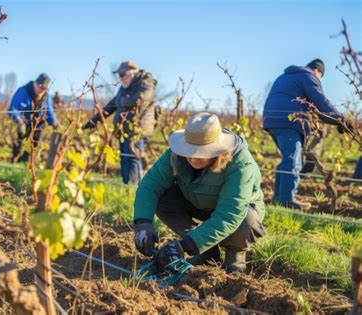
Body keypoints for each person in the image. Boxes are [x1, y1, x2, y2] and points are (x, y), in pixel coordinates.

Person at [133, 112, 266, 273]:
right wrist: (142, 223)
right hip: (197, 202)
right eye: (190, 150)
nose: (194, 157)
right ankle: (206, 252)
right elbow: (150, 185)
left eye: (202, 152)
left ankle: (236, 256)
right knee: (163, 197)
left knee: (247, 221)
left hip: (238, 213)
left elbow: (230, 214)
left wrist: (185, 245)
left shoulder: (240, 163)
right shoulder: (176, 154)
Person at [263, 59, 352, 210]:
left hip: (271, 120)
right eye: (320, 77)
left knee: (287, 158)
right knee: (293, 160)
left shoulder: (284, 76)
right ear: (318, 71)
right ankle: (286, 200)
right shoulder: (309, 76)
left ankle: (278, 199)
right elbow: (321, 102)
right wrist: (341, 120)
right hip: (288, 121)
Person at [83, 61, 157, 184]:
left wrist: (120, 100)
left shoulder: (146, 83)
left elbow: (138, 100)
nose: (120, 78)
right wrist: (93, 121)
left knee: (132, 158)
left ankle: (134, 188)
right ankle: (126, 185)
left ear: (132, 73)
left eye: (122, 74)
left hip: (136, 130)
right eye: (119, 75)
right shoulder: (124, 87)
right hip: (124, 130)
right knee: (124, 158)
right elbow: (111, 105)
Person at [8, 73, 57, 162]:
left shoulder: (46, 97)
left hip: (38, 125)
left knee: (34, 144)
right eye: (40, 86)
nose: (41, 89)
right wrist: (19, 121)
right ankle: (14, 158)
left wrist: (55, 124)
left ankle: (24, 161)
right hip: (23, 122)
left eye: (44, 88)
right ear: (35, 83)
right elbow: (13, 108)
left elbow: (49, 113)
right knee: (19, 142)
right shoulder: (23, 91)